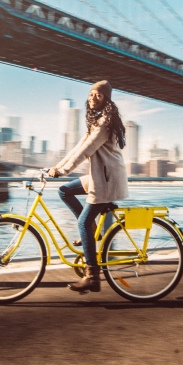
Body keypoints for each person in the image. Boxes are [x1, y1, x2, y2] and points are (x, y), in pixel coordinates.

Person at [47, 80, 129, 293]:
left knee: (82, 223)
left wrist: (62, 171)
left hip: (108, 180)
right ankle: (93, 228)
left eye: (98, 95)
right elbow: (78, 147)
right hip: (99, 177)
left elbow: (87, 151)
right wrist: (58, 166)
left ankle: (92, 276)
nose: (93, 97)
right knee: (64, 190)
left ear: (106, 100)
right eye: (91, 94)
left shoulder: (105, 123)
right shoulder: (96, 121)